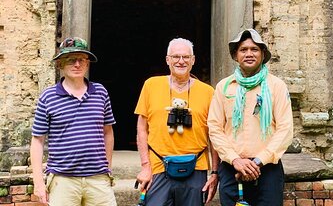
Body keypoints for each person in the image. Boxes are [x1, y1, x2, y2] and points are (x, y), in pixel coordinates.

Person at [207, 28, 293, 206]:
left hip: (267, 169)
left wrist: (258, 162)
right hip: (232, 168)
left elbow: (285, 130)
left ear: (263, 54)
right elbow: (215, 128)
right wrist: (235, 159)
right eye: (243, 50)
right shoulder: (224, 87)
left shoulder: (276, 86)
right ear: (235, 55)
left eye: (254, 49)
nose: (249, 54)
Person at [30, 37, 117, 206]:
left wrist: (107, 169)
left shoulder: (100, 92)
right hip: (63, 181)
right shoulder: (48, 97)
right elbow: (37, 141)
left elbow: (108, 132)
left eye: (82, 59)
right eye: (71, 59)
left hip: (98, 180)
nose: (77, 64)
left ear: (87, 63)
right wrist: (38, 182)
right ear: (60, 64)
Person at [134, 37, 220, 206]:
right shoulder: (151, 85)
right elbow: (142, 128)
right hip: (158, 166)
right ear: (168, 60)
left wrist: (215, 173)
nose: (181, 61)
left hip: (196, 167)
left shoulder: (208, 92)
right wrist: (145, 166)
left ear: (193, 60)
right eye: (176, 57)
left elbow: (214, 134)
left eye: (186, 57)